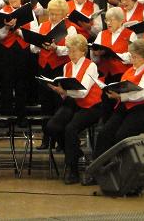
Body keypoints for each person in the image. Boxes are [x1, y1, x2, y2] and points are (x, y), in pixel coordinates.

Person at [93, 39, 144, 166]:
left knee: (122, 135)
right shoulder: (130, 70)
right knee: (105, 133)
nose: (132, 59)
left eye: (135, 57)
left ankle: (122, 169)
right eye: (131, 56)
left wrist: (121, 96)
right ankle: (98, 168)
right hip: (128, 107)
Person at [44, 35, 105, 185]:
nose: (71, 54)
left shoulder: (91, 66)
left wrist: (64, 92)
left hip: (91, 105)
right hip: (73, 102)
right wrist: (61, 91)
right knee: (52, 126)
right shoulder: (67, 66)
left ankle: (73, 170)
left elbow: (83, 92)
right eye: (69, 51)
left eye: (74, 51)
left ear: (83, 51)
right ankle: (76, 153)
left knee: (70, 129)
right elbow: (67, 87)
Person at [30, 0, 78, 148]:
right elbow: (33, 48)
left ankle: (61, 139)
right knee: (45, 104)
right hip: (44, 67)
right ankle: (47, 139)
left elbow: (72, 50)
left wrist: (56, 48)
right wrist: (40, 46)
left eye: (56, 13)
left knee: (59, 103)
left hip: (60, 68)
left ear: (64, 14)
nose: (53, 16)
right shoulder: (43, 25)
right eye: (51, 13)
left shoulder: (70, 28)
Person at [0, 0, 38, 121]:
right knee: (5, 84)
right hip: (6, 52)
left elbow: (34, 33)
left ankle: (22, 117)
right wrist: (7, 28)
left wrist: (20, 31)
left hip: (23, 51)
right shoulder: (2, 11)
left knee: (22, 84)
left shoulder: (29, 10)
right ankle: (5, 117)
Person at [91, 7, 136, 84]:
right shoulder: (102, 34)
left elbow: (133, 57)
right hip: (103, 74)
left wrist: (114, 55)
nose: (108, 23)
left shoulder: (131, 35)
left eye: (111, 20)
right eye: (106, 20)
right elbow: (95, 59)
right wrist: (96, 54)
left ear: (121, 20)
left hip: (122, 75)